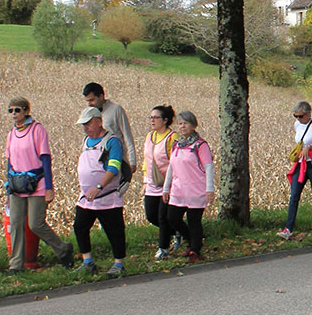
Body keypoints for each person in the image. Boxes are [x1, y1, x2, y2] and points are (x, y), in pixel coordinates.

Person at [4, 98, 74, 273]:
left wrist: (49, 188)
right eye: (11, 110)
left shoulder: (37, 130)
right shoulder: (12, 133)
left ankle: (63, 249)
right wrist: (8, 188)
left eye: (17, 110)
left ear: (27, 111)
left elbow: (45, 159)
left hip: (37, 183)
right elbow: (9, 162)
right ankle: (16, 264)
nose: (14, 114)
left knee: (35, 223)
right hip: (17, 186)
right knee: (16, 224)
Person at [72, 107, 127, 277]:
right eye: (83, 125)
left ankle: (119, 263)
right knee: (80, 226)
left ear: (98, 121)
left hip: (107, 196)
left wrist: (99, 187)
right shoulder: (86, 141)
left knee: (114, 230)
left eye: (88, 123)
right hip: (87, 198)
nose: (85, 128)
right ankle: (87, 261)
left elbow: (114, 167)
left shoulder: (112, 141)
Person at [157, 110, 214, 262]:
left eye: (186, 123)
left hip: (196, 189)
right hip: (178, 189)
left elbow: (208, 167)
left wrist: (210, 189)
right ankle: (192, 239)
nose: (182, 127)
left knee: (194, 220)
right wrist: (166, 188)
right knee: (172, 218)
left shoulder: (200, 145)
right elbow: (171, 167)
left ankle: (195, 249)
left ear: (194, 125)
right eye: (180, 123)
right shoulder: (177, 144)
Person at [278, 101, 312, 239]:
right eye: (296, 116)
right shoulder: (297, 125)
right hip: (300, 163)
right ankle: (288, 228)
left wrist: (310, 148)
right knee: (294, 196)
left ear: (308, 114)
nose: (298, 119)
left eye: (300, 116)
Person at [143, 105, 186, 253]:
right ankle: (178, 232)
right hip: (151, 183)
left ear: (165, 120)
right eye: (151, 117)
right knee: (151, 216)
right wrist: (144, 180)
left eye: (156, 117)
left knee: (163, 217)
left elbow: (176, 161)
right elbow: (146, 160)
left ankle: (163, 249)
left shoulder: (172, 137)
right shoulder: (150, 137)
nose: (152, 120)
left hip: (168, 184)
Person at [82, 82, 137, 171]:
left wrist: (132, 162)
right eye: (87, 101)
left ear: (101, 96)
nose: (89, 104)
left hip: (117, 160)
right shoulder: (89, 113)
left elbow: (127, 136)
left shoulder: (116, 110)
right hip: (96, 164)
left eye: (92, 100)